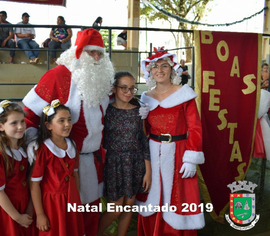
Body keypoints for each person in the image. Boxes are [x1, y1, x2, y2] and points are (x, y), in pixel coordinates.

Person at [23, 28, 115, 236]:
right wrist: (34, 145)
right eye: (92, 52)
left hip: (91, 160)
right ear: (79, 52)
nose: (96, 58)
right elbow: (30, 113)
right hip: (59, 164)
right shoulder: (58, 76)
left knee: (89, 212)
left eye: (100, 53)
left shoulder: (102, 82)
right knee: (60, 216)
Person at [137, 49, 205, 235]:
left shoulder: (184, 95)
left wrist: (191, 158)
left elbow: (195, 128)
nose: (160, 70)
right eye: (155, 67)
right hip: (152, 153)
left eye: (164, 65)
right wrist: (141, 119)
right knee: (153, 195)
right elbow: (144, 133)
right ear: (149, 72)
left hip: (179, 153)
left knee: (177, 198)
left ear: (172, 69)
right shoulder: (146, 98)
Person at [97, 71, 151, 236]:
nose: (128, 92)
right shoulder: (105, 111)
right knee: (116, 208)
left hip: (135, 163)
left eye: (132, 89)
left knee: (129, 205)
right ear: (114, 89)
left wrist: (148, 171)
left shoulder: (138, 112)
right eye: (124, 88)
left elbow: (143, 142)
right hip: (114, 164)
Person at [29, 100, 85, 236]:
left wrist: (77, 200)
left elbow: (75, 175)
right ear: (48, 125)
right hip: (52, 205)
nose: (67, 124)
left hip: (71, 201)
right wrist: (41, 214)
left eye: (69, 120)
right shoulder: (42, 150)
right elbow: (34, 184)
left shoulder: (72, 145)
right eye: (61, 121)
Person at [0, 100, 33, 236]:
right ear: (0, 126)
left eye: (22, 121)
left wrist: (29, 208)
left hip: (23, 206)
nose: (20, 126)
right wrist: (17, 217)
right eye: (14, 123)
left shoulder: (22, 149)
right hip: (5, 211)